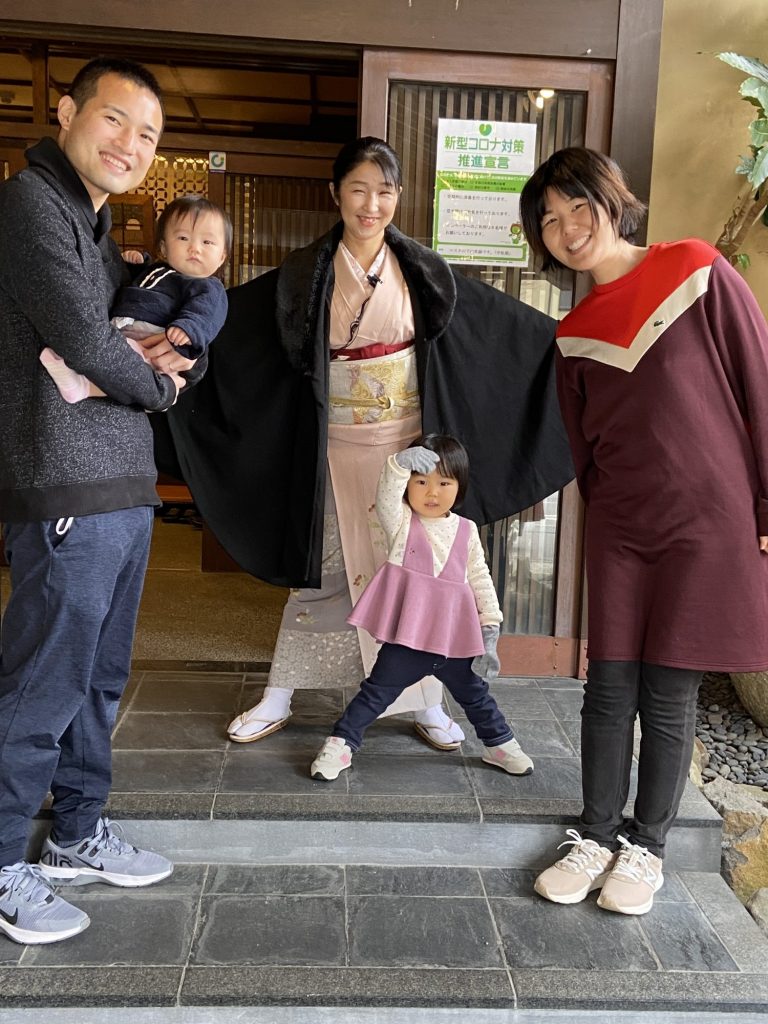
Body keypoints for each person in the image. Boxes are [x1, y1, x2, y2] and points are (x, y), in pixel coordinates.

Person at [155, 136, 573, 752]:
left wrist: (578, 343)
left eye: (383, 191)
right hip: (332, 446)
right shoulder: (305, 273)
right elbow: (236, 324)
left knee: (419, 575)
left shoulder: (424, 272)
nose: (370, 204)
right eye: (357, 189)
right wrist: (175, 331)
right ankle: (281, 691)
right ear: (336, 195)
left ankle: (425, 704)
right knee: (322, 571)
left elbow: (499, 330)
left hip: (409, 451)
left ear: (398, 196)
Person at [519, 146, 768, 915]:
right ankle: (594, 833)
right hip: (621, 528)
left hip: (706, 522)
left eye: (576, 208)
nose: (566, 229)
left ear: (611, 198)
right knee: (607, 685)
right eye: (549, 223)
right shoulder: (574, 331)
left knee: (669, 690)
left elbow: (759, 384)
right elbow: (584, 445)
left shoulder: (695, 269)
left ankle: (645, 848)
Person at [0, 57, 204, 945]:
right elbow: (85, 335)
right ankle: (6, 856)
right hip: (61, 477)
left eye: (150, 134)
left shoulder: (98, 223)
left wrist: (131, 358)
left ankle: (76, 830)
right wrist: (157, 388)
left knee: (99, 674)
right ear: (66, 111)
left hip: (118, 478)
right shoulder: (30, 203)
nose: (132, 144)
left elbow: (106, 339)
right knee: (44, 676)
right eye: (116, 120)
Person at [310, 435, 534, 781]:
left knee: (476, 696)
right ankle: (341, 744)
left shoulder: (466, 530)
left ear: (459, 487)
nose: (432, 492)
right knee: (375, 694)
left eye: (444, 482)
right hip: (408, 641)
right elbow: (385, 495)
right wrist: (399, 465)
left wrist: (490, 625)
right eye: (421, 481)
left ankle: (499, 745)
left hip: (454, 641)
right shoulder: (400, 525)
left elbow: (479, 577)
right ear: (408, 486)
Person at [39, 194, 230, 403]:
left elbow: (207, 312)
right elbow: (139, 284)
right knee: (119, 357)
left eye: (208, 241)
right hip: (126, 329)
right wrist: (137, 264)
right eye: (183, 238)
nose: (195, 248)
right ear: (164, 248)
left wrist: (190, 329)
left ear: (222, 257)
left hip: (155, 334)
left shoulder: (209, 287)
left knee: (132, 360)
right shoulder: (160, 271)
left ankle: (84, 388)